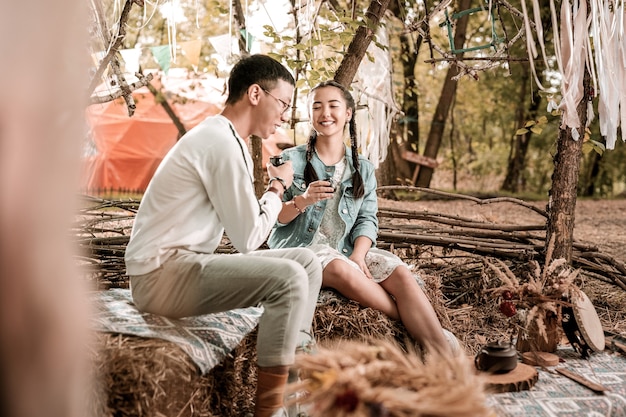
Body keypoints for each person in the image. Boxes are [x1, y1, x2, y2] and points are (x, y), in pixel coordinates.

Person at [124, 54, 323, 417]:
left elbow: (248, 227)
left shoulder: (228, 139)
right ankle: (270, 412)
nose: (284, 115)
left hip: (184, 265)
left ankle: (298, 380)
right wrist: (278, 187)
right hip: (160, 277)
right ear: (255, 94)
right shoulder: (220, 142)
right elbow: (249, 238)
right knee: (291, 279)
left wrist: (274, 192)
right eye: (283, 104)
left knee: (306, 263)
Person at [268, 80, 457, 356]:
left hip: (345, 249)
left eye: (334, 106)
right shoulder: (289, 160)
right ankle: (422, 327)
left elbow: (368, 219)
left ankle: (443, 357)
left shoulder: (363, 168)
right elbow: (273, 218)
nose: (325, 113)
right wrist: (304, 200)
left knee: (400, 274)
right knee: (340, 269)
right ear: (310, 114)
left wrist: (359, 254)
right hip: (302, 251)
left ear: (348, 113)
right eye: (317, 106)